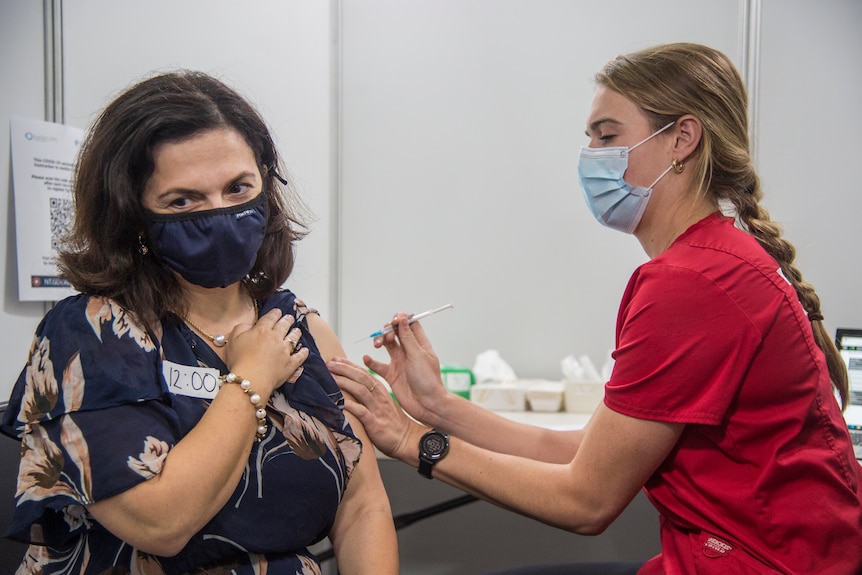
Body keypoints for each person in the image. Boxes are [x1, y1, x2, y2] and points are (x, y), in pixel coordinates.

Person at [326, 42, 862, 575]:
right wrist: (439, 406)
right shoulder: (713, 260)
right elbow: (584, 452)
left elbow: (586, 500)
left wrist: (409, 438)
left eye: (608, 136)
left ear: (682, 138)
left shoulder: (691, 283)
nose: (591, 157)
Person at [0, 71, 398, 574]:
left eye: (238, 188)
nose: (220, 214)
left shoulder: (302, 328)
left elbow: (363, 506)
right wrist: (250, 378)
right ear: (132, 215)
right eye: (183, 201)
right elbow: (161, 525)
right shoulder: (90, 334)